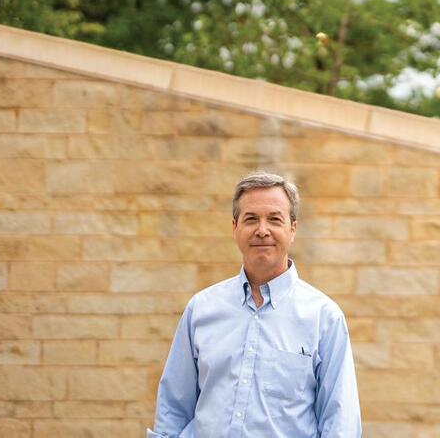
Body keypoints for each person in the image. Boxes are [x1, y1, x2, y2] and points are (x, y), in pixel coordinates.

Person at [148, 171, 361, 437]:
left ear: (292, 229)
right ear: (235, 228)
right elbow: (173, 407)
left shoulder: (324, 318)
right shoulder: (200, 310)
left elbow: (340, 422)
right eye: (251, 219)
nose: (262, 230)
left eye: (274, 219)